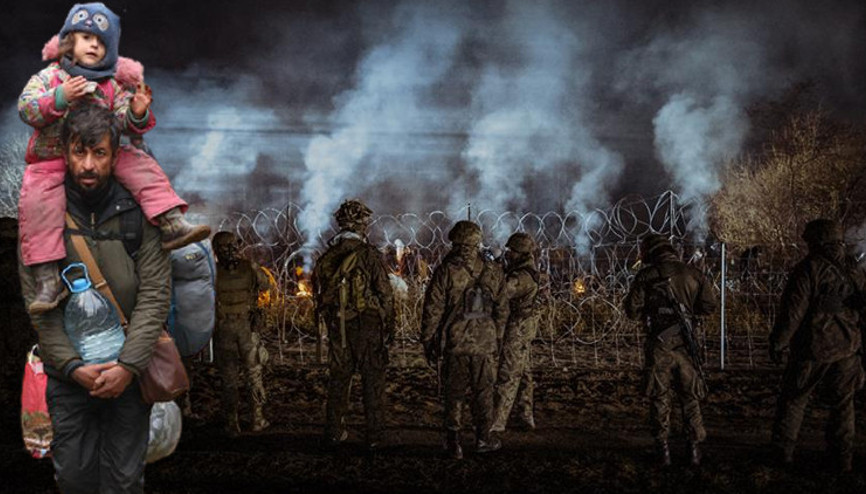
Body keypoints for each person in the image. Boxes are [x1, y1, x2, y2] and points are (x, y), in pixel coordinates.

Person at [18, 2, 209, 316]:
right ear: (68, 42)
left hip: (103, 154)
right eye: (86, 37)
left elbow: (121, 120)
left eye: (102, 41)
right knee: (38, 204)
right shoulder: (50, 77)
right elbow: (26, 108)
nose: (95, 44)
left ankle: (171, 221)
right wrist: (60, 97)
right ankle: (46, 278)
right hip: (51, 157)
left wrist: (136, 112)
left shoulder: (110, 85)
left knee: (141, 163)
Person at [18, 104, 171, 493]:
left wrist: (127, 366)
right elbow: (41, 308)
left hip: (129, 377)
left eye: (99, 153)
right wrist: (71, 367)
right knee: (74, 479)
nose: (88, 164)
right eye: (79, 152)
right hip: (69, 382)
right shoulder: (42, 218)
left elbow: (154, 296)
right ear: (65, 152)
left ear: (114, 155)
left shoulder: (140, 214)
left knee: (124, 482)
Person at [769, 219, 866, 472]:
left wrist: (778, 344)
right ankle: (842, 461)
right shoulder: (855, 269)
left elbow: (792, 313)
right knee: (843, 406)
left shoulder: (809, 269)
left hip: (812, 349)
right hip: (848, 348)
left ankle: (782, 456)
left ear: (817, 240)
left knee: (794, 401)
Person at [624, 233, 716, 467]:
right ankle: (694, 450)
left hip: (659, 344)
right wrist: (687, 315)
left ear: (650, 252)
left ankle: (662, 450)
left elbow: (632, 311)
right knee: (690, 396)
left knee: (659, 396)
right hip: (686, 344)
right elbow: (708, 306)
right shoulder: (693, 273)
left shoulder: (646, 276)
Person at [312, 199, 395, 450]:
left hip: (339, 325)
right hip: (368, 326)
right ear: (362, 225)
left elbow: (319, 294)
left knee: (339, 379)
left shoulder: (327, 257)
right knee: (373, 380)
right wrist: (388, 326)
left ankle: (334, 431)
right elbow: (385, 294)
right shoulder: (369, 255)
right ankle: (375, 435)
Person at [421, 220, 508, 459]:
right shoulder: (493, 271)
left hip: (455, 343)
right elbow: (502, 309)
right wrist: (497, 336)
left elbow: (433, 309)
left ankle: (453, 442)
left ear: (455, 242)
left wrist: (427, 340)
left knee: (454, 393)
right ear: (477, 242)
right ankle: (484, 438)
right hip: (485, 344)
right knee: (484, 392)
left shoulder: (447, 270)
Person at [213, 231, 271, 435]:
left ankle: (232, 423)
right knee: (253, 374)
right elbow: (266, 285)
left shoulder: (212, 271)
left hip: (223, 329)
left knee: (229, 378)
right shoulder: (249, 267)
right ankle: (257, 419)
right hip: (246, 328)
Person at [491, 232, 540, 435]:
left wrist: (491, 272)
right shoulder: (523, 270)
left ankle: (497, 422)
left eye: (512, 251)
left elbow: (501, 293)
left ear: (521, 252)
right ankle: (525, 415)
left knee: (508, 372)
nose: (508, 254)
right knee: (524, 372)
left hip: (518, 326)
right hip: (523, 326)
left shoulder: (521, 276)